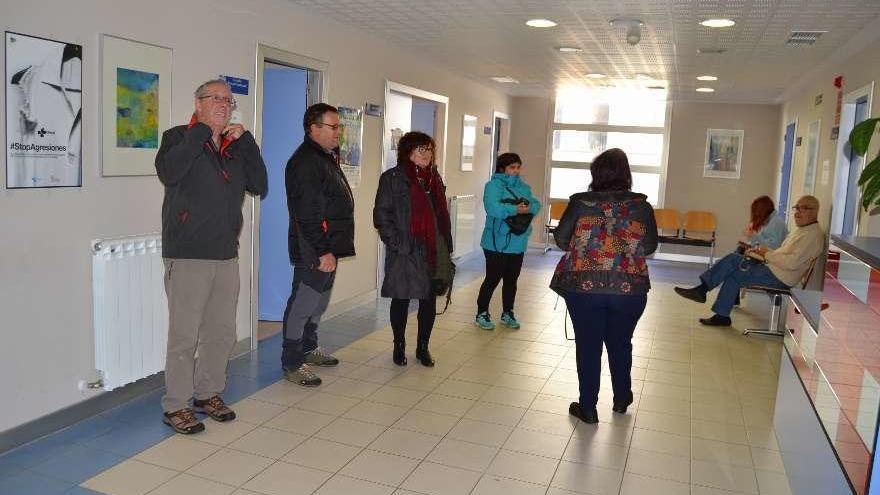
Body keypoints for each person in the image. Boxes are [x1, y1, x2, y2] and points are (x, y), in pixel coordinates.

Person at [155, 79, 268, 434]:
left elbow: (259, 185)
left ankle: (208, 394)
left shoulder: (235, 147)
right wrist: (201, 132)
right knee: (184, 335)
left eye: (228, 101)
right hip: (188, 254)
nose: (224, 105)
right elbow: (169, 172)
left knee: (221, 332)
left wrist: (246, 141)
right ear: (198, 102)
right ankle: (176, 405)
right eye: (216, 99)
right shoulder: (178, 137)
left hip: (225, 254)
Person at [549, 148, 657, 424]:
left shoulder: (579, 204)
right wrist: (621, 243)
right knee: (621, 342)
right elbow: (649, 247)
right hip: (629, 288)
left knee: (588, 345)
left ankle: (588, 407)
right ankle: (621, 397)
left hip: (584, 288)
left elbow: (561, 240)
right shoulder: (641, 207)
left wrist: (591, 240)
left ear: (596, 173)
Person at [282, 103, 355, 387]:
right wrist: (322, 249)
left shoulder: (324, 157)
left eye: (339, 126)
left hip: (328, 247)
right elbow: (307, 213)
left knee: (319, 303)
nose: (339, 132)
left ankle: (309, 349)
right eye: (333, 127)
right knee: (303, 303)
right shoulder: (305, 163)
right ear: (313, 128)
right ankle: (291, 362)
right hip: (313, 249)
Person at [675, 195, 825, 326]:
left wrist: (766, 253)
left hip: (781, 277)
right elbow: (783, 253)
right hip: (775, 269)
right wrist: (762, 252)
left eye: (803, 208)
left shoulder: (812, 235)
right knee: (734, 274)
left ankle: (702, 290)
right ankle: (721, 315)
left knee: (734, 260)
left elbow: (791, 263)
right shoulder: (802, 230)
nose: (797, 212)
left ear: (814, 211)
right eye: (796, 208)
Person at [374, 132, 453, 367]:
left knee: (429, 300)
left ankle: (423, 347)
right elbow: (381, 215)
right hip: (405, 249)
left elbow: (440, 215)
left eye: (429, 149)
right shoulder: (392, 178)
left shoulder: (434, 179)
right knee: (401, 299)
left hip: (431, 248)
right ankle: (399, 346)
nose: (427, 154)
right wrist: (398, 243)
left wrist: (445, 245)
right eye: (421, 149)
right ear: (407, 151)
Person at [474, 153, 541, 330]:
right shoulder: (492, 186)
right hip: (495, 242)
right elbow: (492, 208)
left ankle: (507, 313)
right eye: (512, 167)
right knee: (493, 279)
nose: (516, 171)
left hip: (518, 241)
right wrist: (515, 209)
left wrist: (526, 208)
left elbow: (536, 204)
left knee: (512, 279)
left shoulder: (523, 187)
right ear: (503, 168)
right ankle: (481, 313)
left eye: (518, 167)